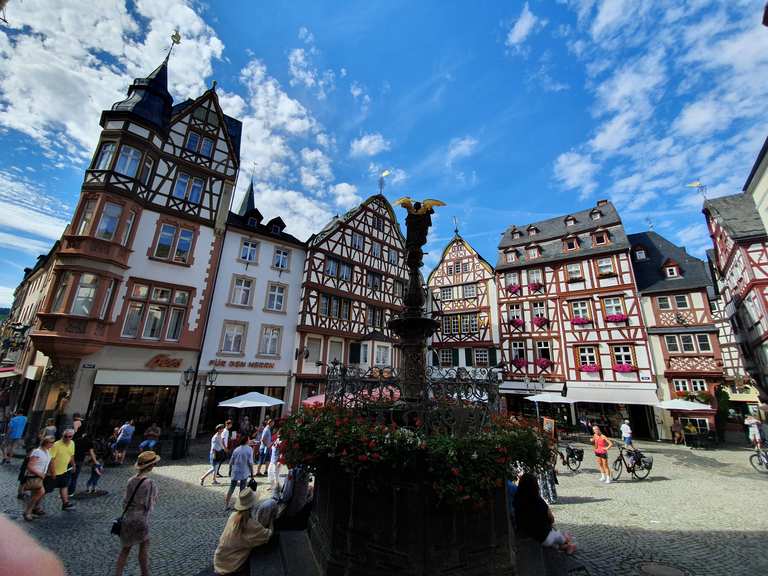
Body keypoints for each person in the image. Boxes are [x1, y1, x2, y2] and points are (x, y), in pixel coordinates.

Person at [114, 451, 160, 576]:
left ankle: (118, 574)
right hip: (140, 519)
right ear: (151, 466)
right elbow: (150, 504)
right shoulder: (149, 483)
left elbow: (125, 501)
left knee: (125, 549)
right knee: (144, 546)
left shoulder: (130, 480)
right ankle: (145, 573)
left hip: (127, 518)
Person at [213, 488, 273, 575]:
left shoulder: (233, 516)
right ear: (252, 505)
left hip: (219, 561)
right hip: (232, 567)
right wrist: (271, 521)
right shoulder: (250, 525)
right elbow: (267, 535)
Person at [513, 473, 576, 555]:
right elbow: (551, 519)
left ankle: (564, 544)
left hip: (526, 533)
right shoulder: (538, 501)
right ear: (535, 486)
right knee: (558, 536)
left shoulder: (517, 499)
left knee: (555, 541)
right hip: (543, 537)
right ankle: (567, 543)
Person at [22, 436, 54, 521]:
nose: (52, 444)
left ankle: (30, 511)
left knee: (35, 494)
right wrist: (40, 474)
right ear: (46, 443)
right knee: (40, 492)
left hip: (40, 476)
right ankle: (27, 512)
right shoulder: (37, 452)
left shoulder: (47, 451)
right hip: (35, 476)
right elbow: (30, 466)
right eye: (51, 443)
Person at [49, 429, 76, 510]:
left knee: (64, 486)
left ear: (72, 437)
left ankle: (65, 503)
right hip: (54, 472)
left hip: (64, 470)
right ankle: (36, 506)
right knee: (45, 490)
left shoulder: (72, 443)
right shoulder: (56, 445)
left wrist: (73, 465)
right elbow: (51, 459)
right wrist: (53, 472)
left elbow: (71, 455)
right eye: (65, 436)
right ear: (62, 436)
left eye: (69, 436)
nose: (67, 438)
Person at [225, 435, 254, 511]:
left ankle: (226, 505)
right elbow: (250, 463)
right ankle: (240, 506)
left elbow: (231, 462)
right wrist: (252, 474)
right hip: (244, 471)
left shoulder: (236, 449)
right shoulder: (249, 449)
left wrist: (230, 470)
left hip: (235, 471)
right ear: (247, 441)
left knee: (232, 487)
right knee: (242, 489)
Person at [70, 428, 97, 497]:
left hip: (71, 459)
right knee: (74, 477)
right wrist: (96, 462)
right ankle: (71, 492)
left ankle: (64, 491)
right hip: (79, 460)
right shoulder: (89, 442)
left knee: (68, 476)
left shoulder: (76, 440)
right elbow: (91, 453)